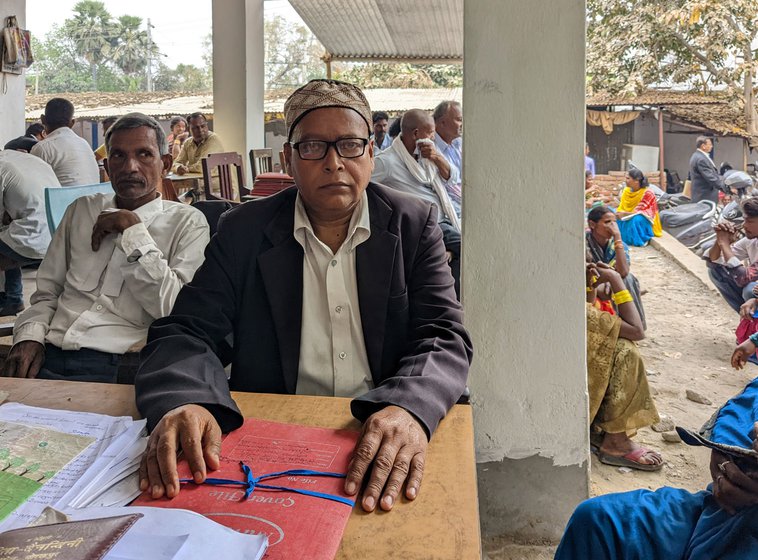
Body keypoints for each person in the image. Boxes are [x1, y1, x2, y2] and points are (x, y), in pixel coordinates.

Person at [134, 79, 473, 515]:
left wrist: (410, 406)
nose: (334, 163)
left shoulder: (412, 223)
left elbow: (443, 334)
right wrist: (187, 399)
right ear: (288, 160)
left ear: (371, 152)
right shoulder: (244, 231)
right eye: (313, 146)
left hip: (377, 425)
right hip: (272, 437)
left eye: (350, 145)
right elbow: (187, 331)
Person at [1, 113, 210, 383]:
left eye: (144, 154)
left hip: (124, 365)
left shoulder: (188, 224)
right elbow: (47, 293)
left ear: (165, 164)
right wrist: (29, 335)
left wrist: (133, 232)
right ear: (107, 167)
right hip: (51, 352)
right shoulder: (81, 211)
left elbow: (173, 310)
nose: (130, 167)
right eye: (118, 156)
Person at [555, 340, 758, 559]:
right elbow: (744, 407)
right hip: (718, 512)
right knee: (596, 519)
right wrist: (725, 454)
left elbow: (636, 328)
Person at [371, 109, 462, 297]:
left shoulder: (426, 158)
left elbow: (452, 177)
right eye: (430, 133)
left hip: (442, 219)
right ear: (415, 134)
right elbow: (363, 184)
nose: (433, 137)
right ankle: (454, 300)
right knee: (466, 246)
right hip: (423, 224)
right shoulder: (387, 162)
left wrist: (436, 157)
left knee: (461, 246)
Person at [585, 262, 662, 471]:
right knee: (625, 350)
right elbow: (637, 330)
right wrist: (616, 280)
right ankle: (616, 442)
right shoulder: (575, 310)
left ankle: (605, 428)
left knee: (613, 343)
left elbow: (589, 302)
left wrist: (589, 285)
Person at [0, 140, 61, 316]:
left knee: (10, 234)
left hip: (32, 241)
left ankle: (13, 297)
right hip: (58, 235)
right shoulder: (28, 159)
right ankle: (12, 298)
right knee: (11, 232)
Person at [586, 205, 646, 328]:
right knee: (613, 285)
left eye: (614, 222)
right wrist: (609, 277)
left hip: (611, 281)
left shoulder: (617, 244)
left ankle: (635, 325)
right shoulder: (583, 242)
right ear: (592, 225)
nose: (613, 226)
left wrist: (617, 237)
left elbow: (623, 271)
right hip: (591, 283)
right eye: (607, 222)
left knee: (628, 279)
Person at [30, 98, 100, 187]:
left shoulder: (42, 148)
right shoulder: (84, 144)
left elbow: (32, 186)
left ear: (43, 119)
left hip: (64, 201)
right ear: (72, 123)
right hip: (94, 200)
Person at [706, 198, 758, 313]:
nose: (744, 225)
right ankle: (748, 318)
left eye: (749, 221)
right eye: (744, 221)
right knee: (716, 272)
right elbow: (712, 261)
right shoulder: (751, 241)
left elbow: (744, 277)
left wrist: (724, 244)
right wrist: (720, 240)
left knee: (750, 290)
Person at [615, 168, 662, 246]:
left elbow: (640, 212)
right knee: (612, 215)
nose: (625, 180)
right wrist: (619, 213)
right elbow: (622, 206)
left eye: (628, 178)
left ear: (636, 180)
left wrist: (624, 214)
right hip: (628, 213)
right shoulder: (626, 190)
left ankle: (639, 239)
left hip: (645, 217)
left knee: (636, 219)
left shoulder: (648, 193)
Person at [433, 100, 463, 217]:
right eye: (459, 120)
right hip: (449, 211)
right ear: (442, 123)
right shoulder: (429, 149)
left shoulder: (460, 143)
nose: (462, 124)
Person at [689, 136, 723, 204]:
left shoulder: (697, 156)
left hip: (702, 195)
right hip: (705, 196)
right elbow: (711, 177)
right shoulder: (701, 159)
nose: (712, 146)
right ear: (703, 146)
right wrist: (726, 188)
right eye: (710, 144)